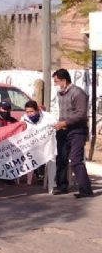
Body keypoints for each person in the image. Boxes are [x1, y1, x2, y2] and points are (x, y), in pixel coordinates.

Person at [52, 69, 93, 197]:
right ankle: (62, 186)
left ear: (64, 80)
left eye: (57, 81)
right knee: (61, 158)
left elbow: (81, 114)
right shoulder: (60, 94)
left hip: (77, 131)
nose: (56, 84)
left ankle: (85, 190)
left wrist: (65, 123)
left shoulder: (78, 93)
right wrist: (59, 124)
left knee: (75, 160)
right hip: (63, 131)